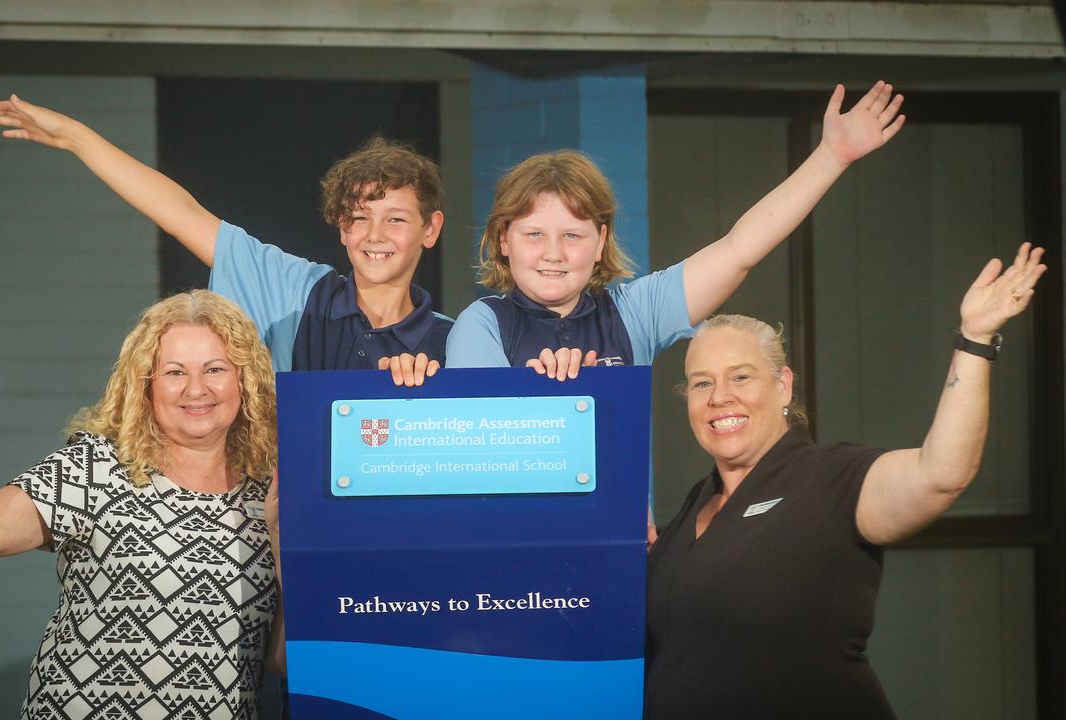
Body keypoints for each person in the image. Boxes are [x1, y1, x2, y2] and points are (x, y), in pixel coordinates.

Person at [645, 244, 1047, 719]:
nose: (721, 397)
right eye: (702, 383)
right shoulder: (693, 511)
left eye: (741, 377)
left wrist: (975, 340)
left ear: (783, 386)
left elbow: (940, 475)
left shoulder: (829, 480)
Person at [0, 290, 285, 719]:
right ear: (146, 386)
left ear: (245, 380)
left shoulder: (268, 497)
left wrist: (283, 544)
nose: (196, 388)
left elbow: (280, 661)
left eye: (215, 369)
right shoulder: (97, 468)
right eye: (175, 372)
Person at [446, 81, 906, 379]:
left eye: (572, 235)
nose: (553, 253)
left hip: (625, 532)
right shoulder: (483, 324)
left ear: (601, 241)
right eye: (533, 235)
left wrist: (832, 156)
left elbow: (739, 249)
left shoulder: (632, 312)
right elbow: (487, 446)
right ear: (503, 240)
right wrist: (543, 393)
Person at [0, 97, 448, 386]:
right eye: (359, 217)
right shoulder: (295, 289)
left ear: (430, 229)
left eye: (396, 220)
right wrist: (76, 138)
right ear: (341, 227)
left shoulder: (456, 339)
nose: (374, 236)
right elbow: (181, 213)